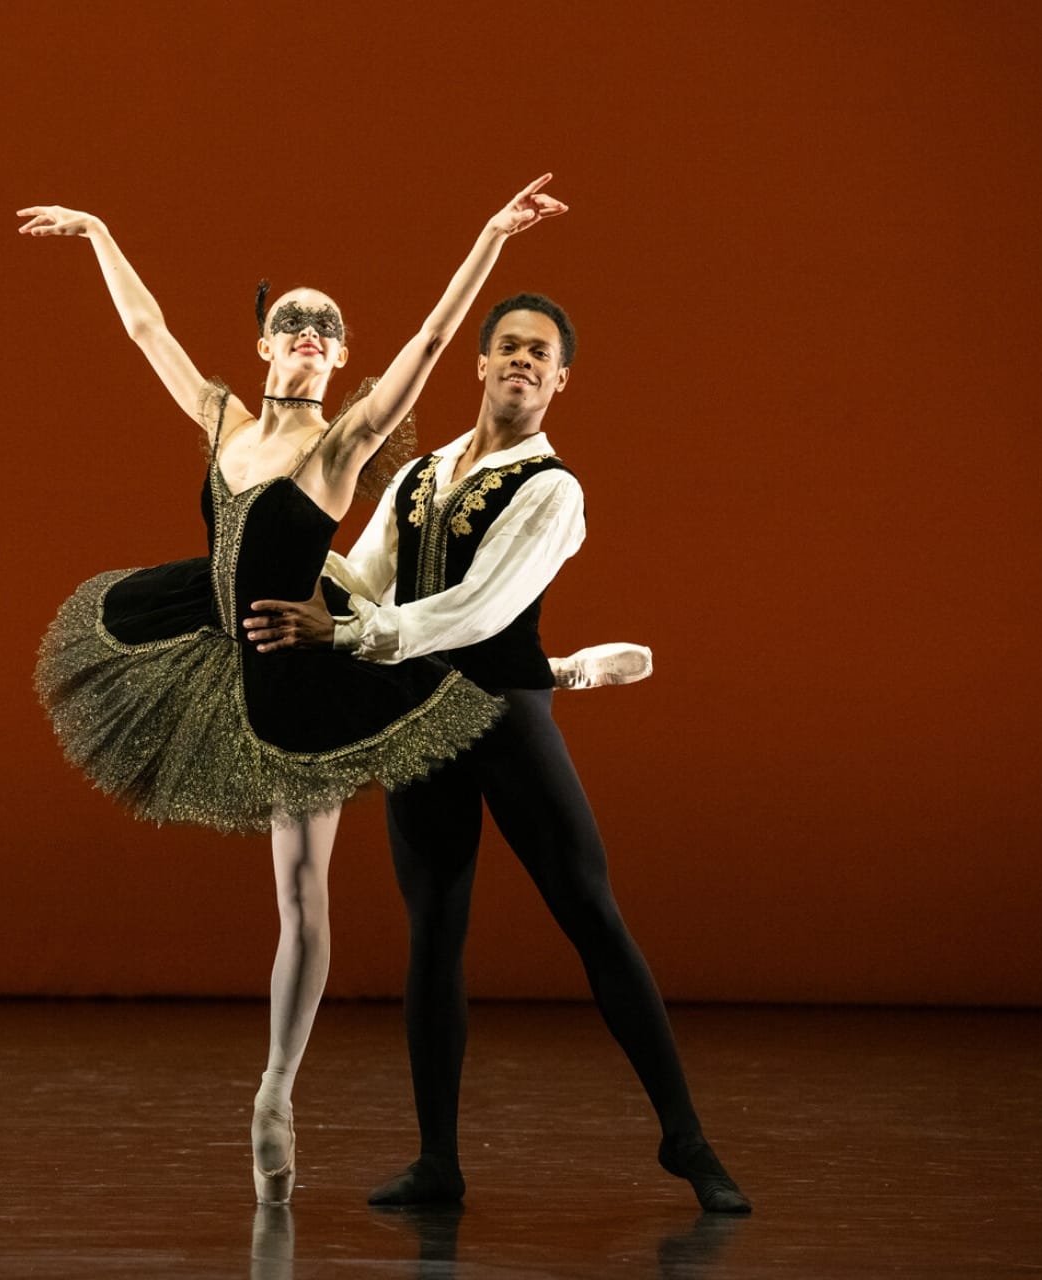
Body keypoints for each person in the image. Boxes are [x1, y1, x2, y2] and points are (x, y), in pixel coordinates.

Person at [19, 178, 567, 1204]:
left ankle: (275, 1090)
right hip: (203, 633)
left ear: (342, 357)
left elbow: (440, 338)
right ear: (268, 348)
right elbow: (148, 330)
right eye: (291, 323)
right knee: (294, 894)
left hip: (298, 672)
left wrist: (489, 231)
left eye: (327, 327)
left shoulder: (344, 442)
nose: (309, 333)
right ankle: (275, 1092)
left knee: (302, 899)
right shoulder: (222, 417)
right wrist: (100, 229)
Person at [242, 293, 752, 1213]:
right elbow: (360, 579)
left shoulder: (553, 490)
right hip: (421, 726)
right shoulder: (420, 476)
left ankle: (686, 1140)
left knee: (592, 916)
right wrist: (269, 555)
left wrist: (347, 636)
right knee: (434, 937)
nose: (520, 360)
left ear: (559, 380)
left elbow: (477, 610)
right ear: (479, 365)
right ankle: (439, 1159)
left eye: (539, 353)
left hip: (503, 720)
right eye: (507, 346)